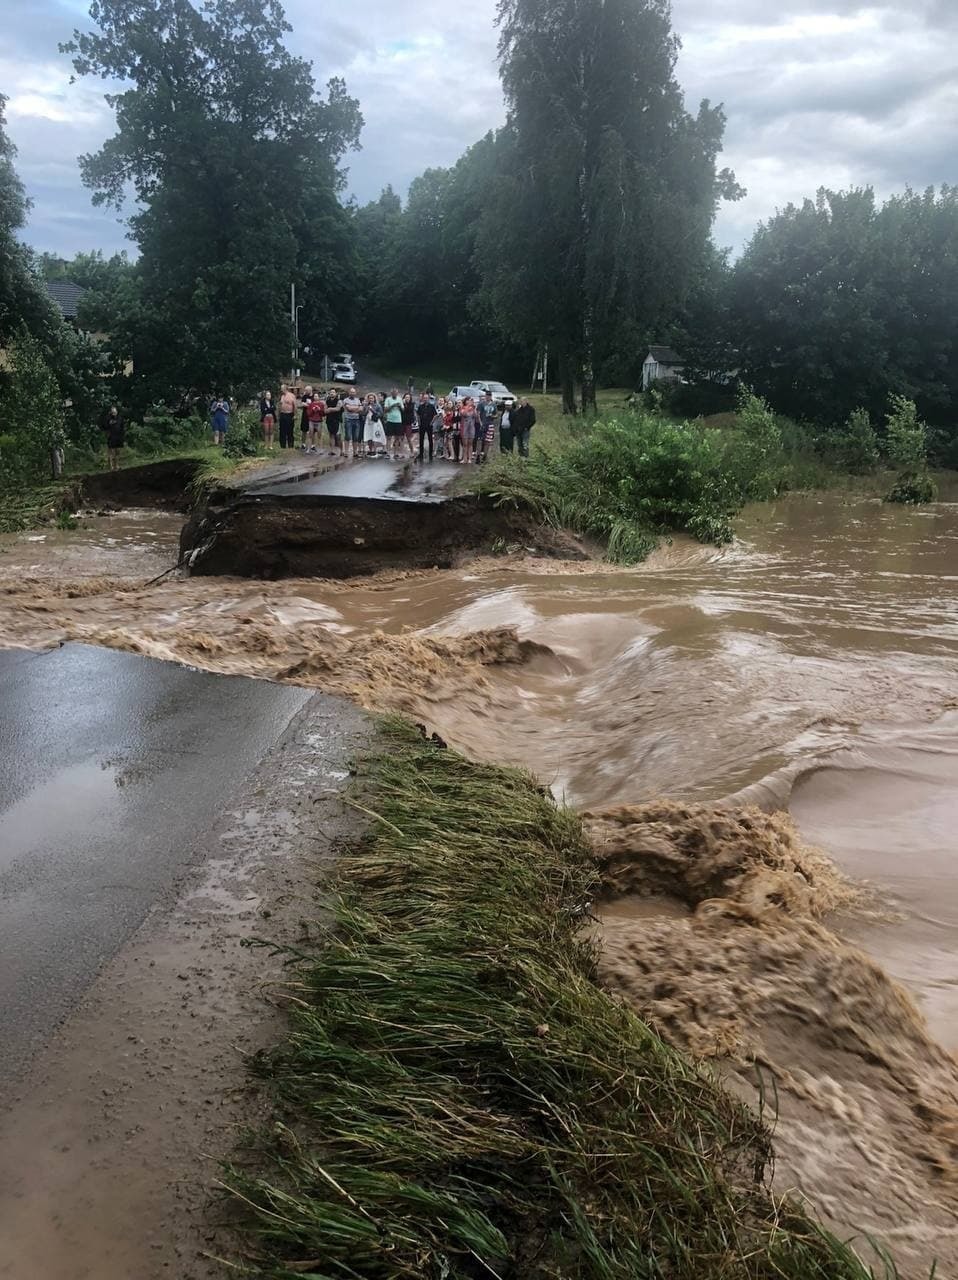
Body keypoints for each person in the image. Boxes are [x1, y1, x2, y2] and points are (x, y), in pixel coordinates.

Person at [100, 404, 125, 470]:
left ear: (117, 411)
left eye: (115, 412)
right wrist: (109, 424)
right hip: (111, 436)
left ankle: (116, 465)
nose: (114, 413)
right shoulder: (107, 418)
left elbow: (122, 426)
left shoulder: (120, 418)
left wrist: (122, 435)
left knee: (117, 452)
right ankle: (111, 466)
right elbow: (104, 427)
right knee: (111, 451)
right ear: (110, 412)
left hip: (118, 436)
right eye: (112, 412)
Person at [383, 387, 404, 461]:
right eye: (393, 393)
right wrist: (392, 406)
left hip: (398, 420)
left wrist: (399, 406)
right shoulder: (388, 399)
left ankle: (395, 453)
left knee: (397, 437)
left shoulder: (400, 399)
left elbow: (403, 409)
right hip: (390, 420)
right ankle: (388, 453)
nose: (395, 394)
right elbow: (385, 410)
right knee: (389, 437)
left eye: (396, 393)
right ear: (391, 393)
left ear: (397, 393)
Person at [343, 386, 363, 460]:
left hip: (356, 420)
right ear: (349, 392)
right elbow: (349, 408)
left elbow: (361, 409)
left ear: (355, 393)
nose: (352, 393)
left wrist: (354, 408)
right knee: (348, 436)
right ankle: (346, 452)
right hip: (348, 419)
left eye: (354, 392)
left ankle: (355, 452)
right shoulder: (346, 400)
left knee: (356, 437)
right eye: (351, 392)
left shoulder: (358, 400)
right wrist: (356, 408)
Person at [458, 395, 480, 464]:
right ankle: (464, 458)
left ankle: (469, 458)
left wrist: (474, 408)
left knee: (470, 444)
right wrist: (468, 407)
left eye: (470, 400)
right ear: (465, 401)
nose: (469, 401)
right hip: (464, 427)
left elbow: (476, 417)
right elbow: (463, 414)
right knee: (465, 444)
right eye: (468, 400)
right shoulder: (462, 407)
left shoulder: (473, 408)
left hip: (471, 427)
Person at [477, 390, 498, 462]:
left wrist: (493, 416)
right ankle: (478, 456)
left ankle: (485, 457)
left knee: (488, 441)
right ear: (485, 396)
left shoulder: (494, 405)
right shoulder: (481, 404)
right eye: (487, 395)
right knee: (480, 440)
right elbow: (478, 414)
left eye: (489, 395)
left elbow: (496, 414)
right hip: (483, 423)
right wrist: (480, 423)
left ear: (491, 396)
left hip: (490, 424)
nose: (488, 397)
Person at [416, 391, 436, 463]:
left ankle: (430, 454)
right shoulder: (420, 406)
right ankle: (421, 454)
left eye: (427, 398)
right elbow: (418, 415)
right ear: (423, 398)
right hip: (422, 425)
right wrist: (419, 423)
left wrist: (432, 422)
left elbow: (435, 415)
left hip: (429, 425)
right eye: (424, 398)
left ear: (428, 399)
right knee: (421, 440)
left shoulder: (432, 406)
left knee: (430, 439)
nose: (425, 399)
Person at [325, 387, 344, 457]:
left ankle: (342, 451)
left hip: (337, 420)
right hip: (329, 420)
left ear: (336, 393)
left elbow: (338, 409)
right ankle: (332, 450)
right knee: (331, 436)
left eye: (333, 392)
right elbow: (325, 410)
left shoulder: (339, 401)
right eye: (330, 392)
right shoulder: (327, 401)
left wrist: (329, 409)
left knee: (338, 437)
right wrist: (330, 409)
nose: (332, 393)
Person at [363, 393, 384, 458]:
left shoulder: (378, 405)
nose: (371, 399)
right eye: (369, 398)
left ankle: (375, 450)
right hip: (368, 422)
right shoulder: (366, 405)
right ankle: (370, 450)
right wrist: (366, 407)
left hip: (375, 422)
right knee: (369, 436)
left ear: (374, 398)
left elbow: (380, 414)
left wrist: (372, 409)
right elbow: (364, 413)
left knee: (375, 436)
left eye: (372, 398)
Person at [278, 384, 297, 450]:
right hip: (282, 414)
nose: (281, 390)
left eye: (282, 388)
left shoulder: (291, 396)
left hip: (289, 414)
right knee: (282, 430)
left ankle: (290, 445)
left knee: (290, 430)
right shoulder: (281, 396)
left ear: (285, 388)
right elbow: (279, 405)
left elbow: (295, 406)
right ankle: (282, 445)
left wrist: (295, 415)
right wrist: (279, 415)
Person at [401, 392, 417, 458]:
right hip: (402, 423)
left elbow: (408, 410)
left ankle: (412, 451)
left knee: (408, 438)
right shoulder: (401, 404)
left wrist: (404, 404)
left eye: (408, 397)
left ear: (410, 398)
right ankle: (402, 453)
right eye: (406, 397)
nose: (407, 398)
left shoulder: (412, 404)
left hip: (408, 423)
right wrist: (402, 404)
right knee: (401, 438)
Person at [299, 384, 314, 451]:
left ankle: (313, 445)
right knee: (304, 430)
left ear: (310, 390)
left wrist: (308, 405)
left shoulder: (314, 396)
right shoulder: (305, 396)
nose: (305, 391)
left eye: (306, 390)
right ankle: (303, 444)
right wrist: (309, 405)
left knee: (313, 431)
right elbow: (302, 403)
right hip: (305, 415)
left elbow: (315, 404)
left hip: (313, 416)